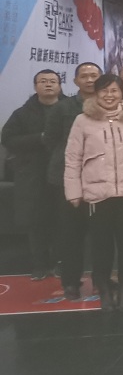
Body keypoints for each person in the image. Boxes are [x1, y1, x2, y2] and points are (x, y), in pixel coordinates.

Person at [64, 74, 123, 311]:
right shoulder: (82, 120)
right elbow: (73, 158)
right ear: (96, 93)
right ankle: (104, 291)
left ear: (121, 93)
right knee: (101, 247)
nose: (109, 95)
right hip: (97, 194)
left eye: (114, 90)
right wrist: (73, 191)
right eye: (104, 91)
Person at [45, 61, 102, 300]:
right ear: (75, 80)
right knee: (70, 234)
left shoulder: (108, 105)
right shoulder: (63, 108)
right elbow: (51, 139)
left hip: (101, 179)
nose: (89, 80)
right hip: (68, 180)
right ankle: (70, 281)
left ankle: (101, 279)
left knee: (101, 233)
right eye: (84, 76)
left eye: (94, 76)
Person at [2, 69, 64, 280]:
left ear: (60, 85)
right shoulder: (22, 113)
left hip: (63, 173)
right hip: (33, 174)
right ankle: (39, 264)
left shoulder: (69, 108)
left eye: (53, 81)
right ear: (35, 86)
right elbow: (8, 139)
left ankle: (61, 262)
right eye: (43, 81)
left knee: (62, 220)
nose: (48, 84)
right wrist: (40, 138)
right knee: (36, 221)